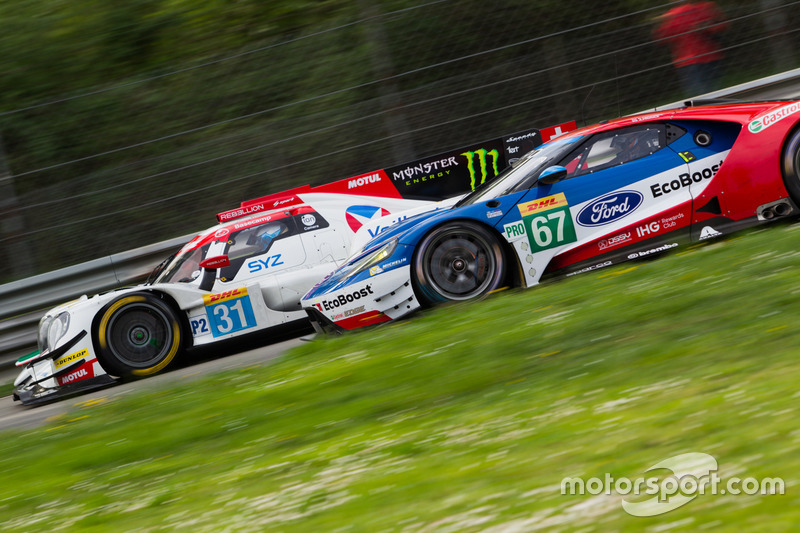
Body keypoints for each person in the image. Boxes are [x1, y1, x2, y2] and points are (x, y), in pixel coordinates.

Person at [654, 1, 729, 96]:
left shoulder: (672, 16)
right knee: (713, 92)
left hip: (690, 61)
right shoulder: (705, 8)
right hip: (708, 57)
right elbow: (722, 24)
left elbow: (662, 37)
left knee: (700, 95)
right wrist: (708, 26)